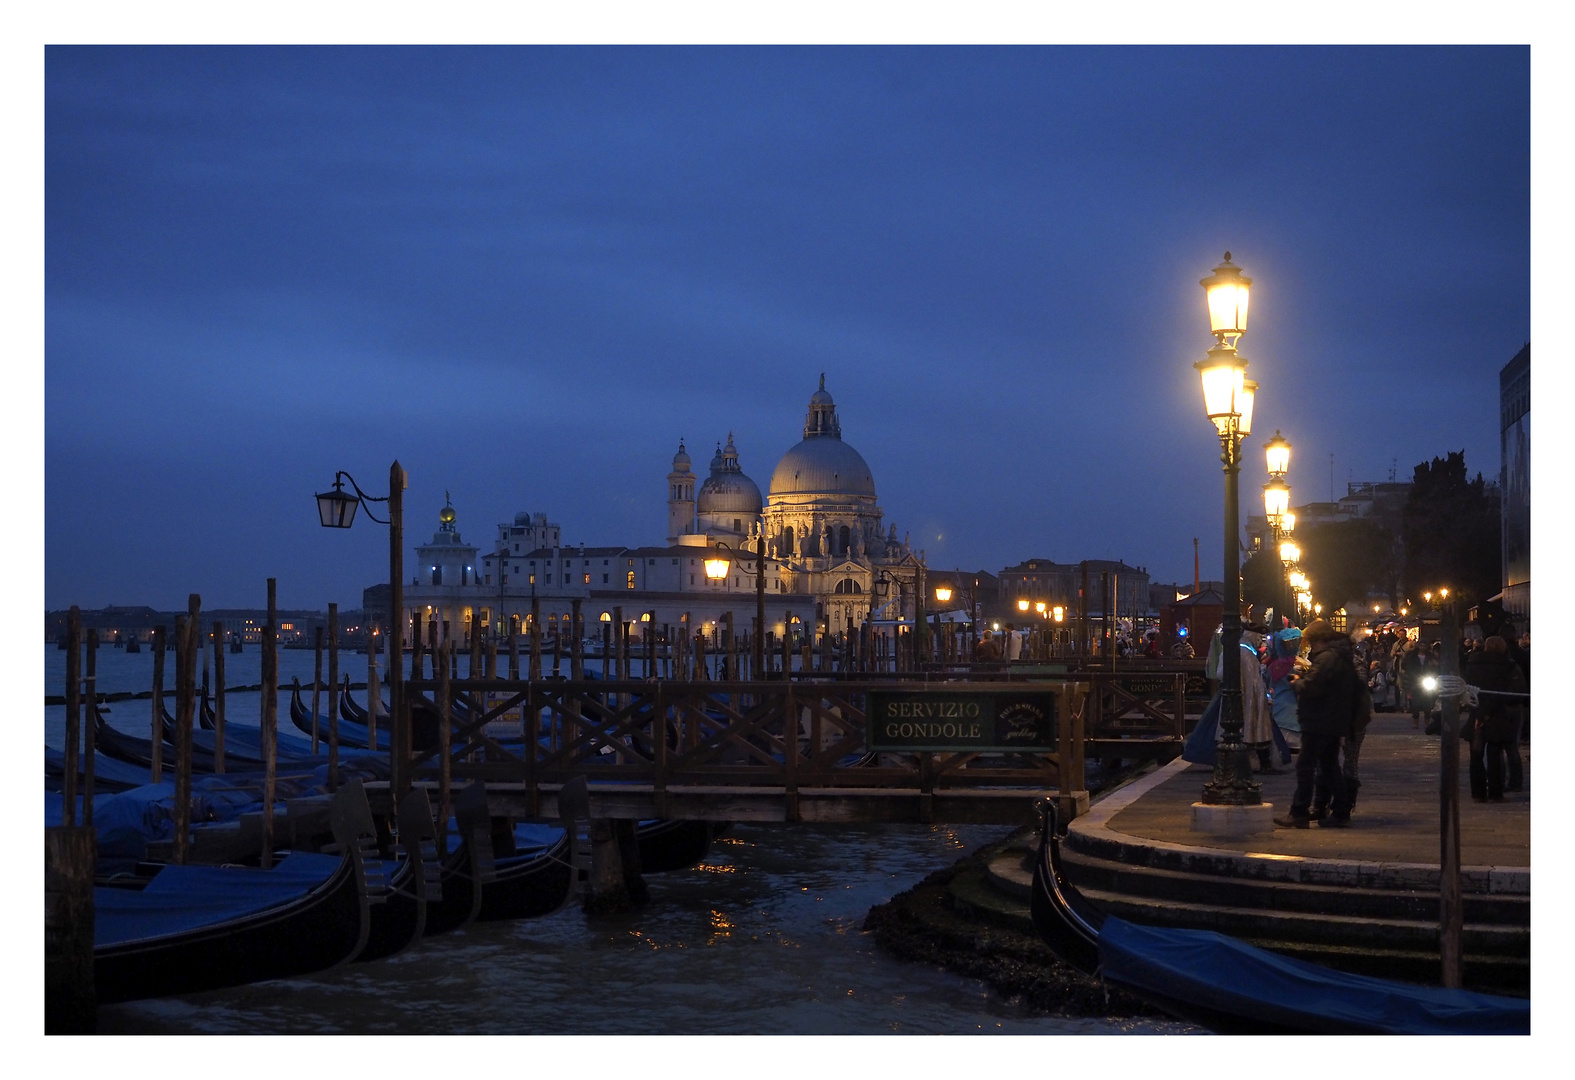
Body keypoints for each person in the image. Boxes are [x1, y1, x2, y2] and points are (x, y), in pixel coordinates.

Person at [1275, 620, 1359, 829]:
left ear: (1319, 640)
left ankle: (1299, 812)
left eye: (1311, 642)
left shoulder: (1326, 658)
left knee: (1305, 765)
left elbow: (1314, 687)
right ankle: (1340, 811)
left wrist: (1297, 682)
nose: (1310, 646)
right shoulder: (1336, 657)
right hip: (1331, 719)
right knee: (1330, 766)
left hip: (1319, 720)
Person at [1465, 636, 1527, 801]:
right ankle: (1495, 792)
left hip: (1477, 710)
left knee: (1476, 754)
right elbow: (1506, 689)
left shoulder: (1473, 663)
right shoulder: (1506, 665)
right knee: (1495, 754)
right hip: (1498, 713)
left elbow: (1468, 686)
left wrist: (1479, 713)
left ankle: (1478, 792)